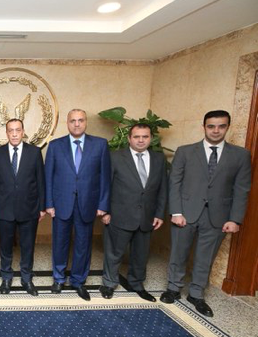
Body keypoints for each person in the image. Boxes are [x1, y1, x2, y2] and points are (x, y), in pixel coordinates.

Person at [160, 110, 251, 317]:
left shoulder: (240, 155)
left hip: (218, 216)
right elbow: (174, 183)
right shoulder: (185, 152)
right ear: (204, 127)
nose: (216, 130)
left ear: (227, 127)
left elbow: (241, 189)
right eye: (211, 126)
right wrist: (175, 211)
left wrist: (235, 219)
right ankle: (173, 288)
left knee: (205, 257)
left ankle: (196, 294)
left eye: (221, 126)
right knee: (178, 253)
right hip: (185, 213)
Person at [45, 108, 110, 301]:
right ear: (67, 123)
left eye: (80, 120)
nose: (77, 124)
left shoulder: (100, 145)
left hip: (87, 203)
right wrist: (49, 203)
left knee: (83, 244)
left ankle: (78, 281)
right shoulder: (55, 146)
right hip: (61, 203)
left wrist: (103, 204)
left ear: (86, 122)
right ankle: (58, 278)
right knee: (60, 242)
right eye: (72, 120)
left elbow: (105, 177)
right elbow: (48, 177)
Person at [100, 123, 167, 301]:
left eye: (145, 136)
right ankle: (109, 283)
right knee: (114, 252)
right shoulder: (115, 157)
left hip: (147, 216)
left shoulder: (159, 158)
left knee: (141, 254)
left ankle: (137, 283)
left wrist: (159, 214)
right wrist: (105, 212)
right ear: (129, 138)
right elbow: (106, 185)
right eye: (137, 136)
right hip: (119, 214)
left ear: (150, 138)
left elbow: (163, 188)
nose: (141, 140)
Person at [0, 118, 45, 296]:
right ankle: (6, 278)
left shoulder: (35, 152)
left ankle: (26, 278)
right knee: (5, 246)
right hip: (4, 208)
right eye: (11, 130)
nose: (14, 134)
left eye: (18, 130)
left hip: (29, 208)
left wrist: (42, 207)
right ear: (6, 133)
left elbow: (40, 181)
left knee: (27, 246)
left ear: (23, 132)